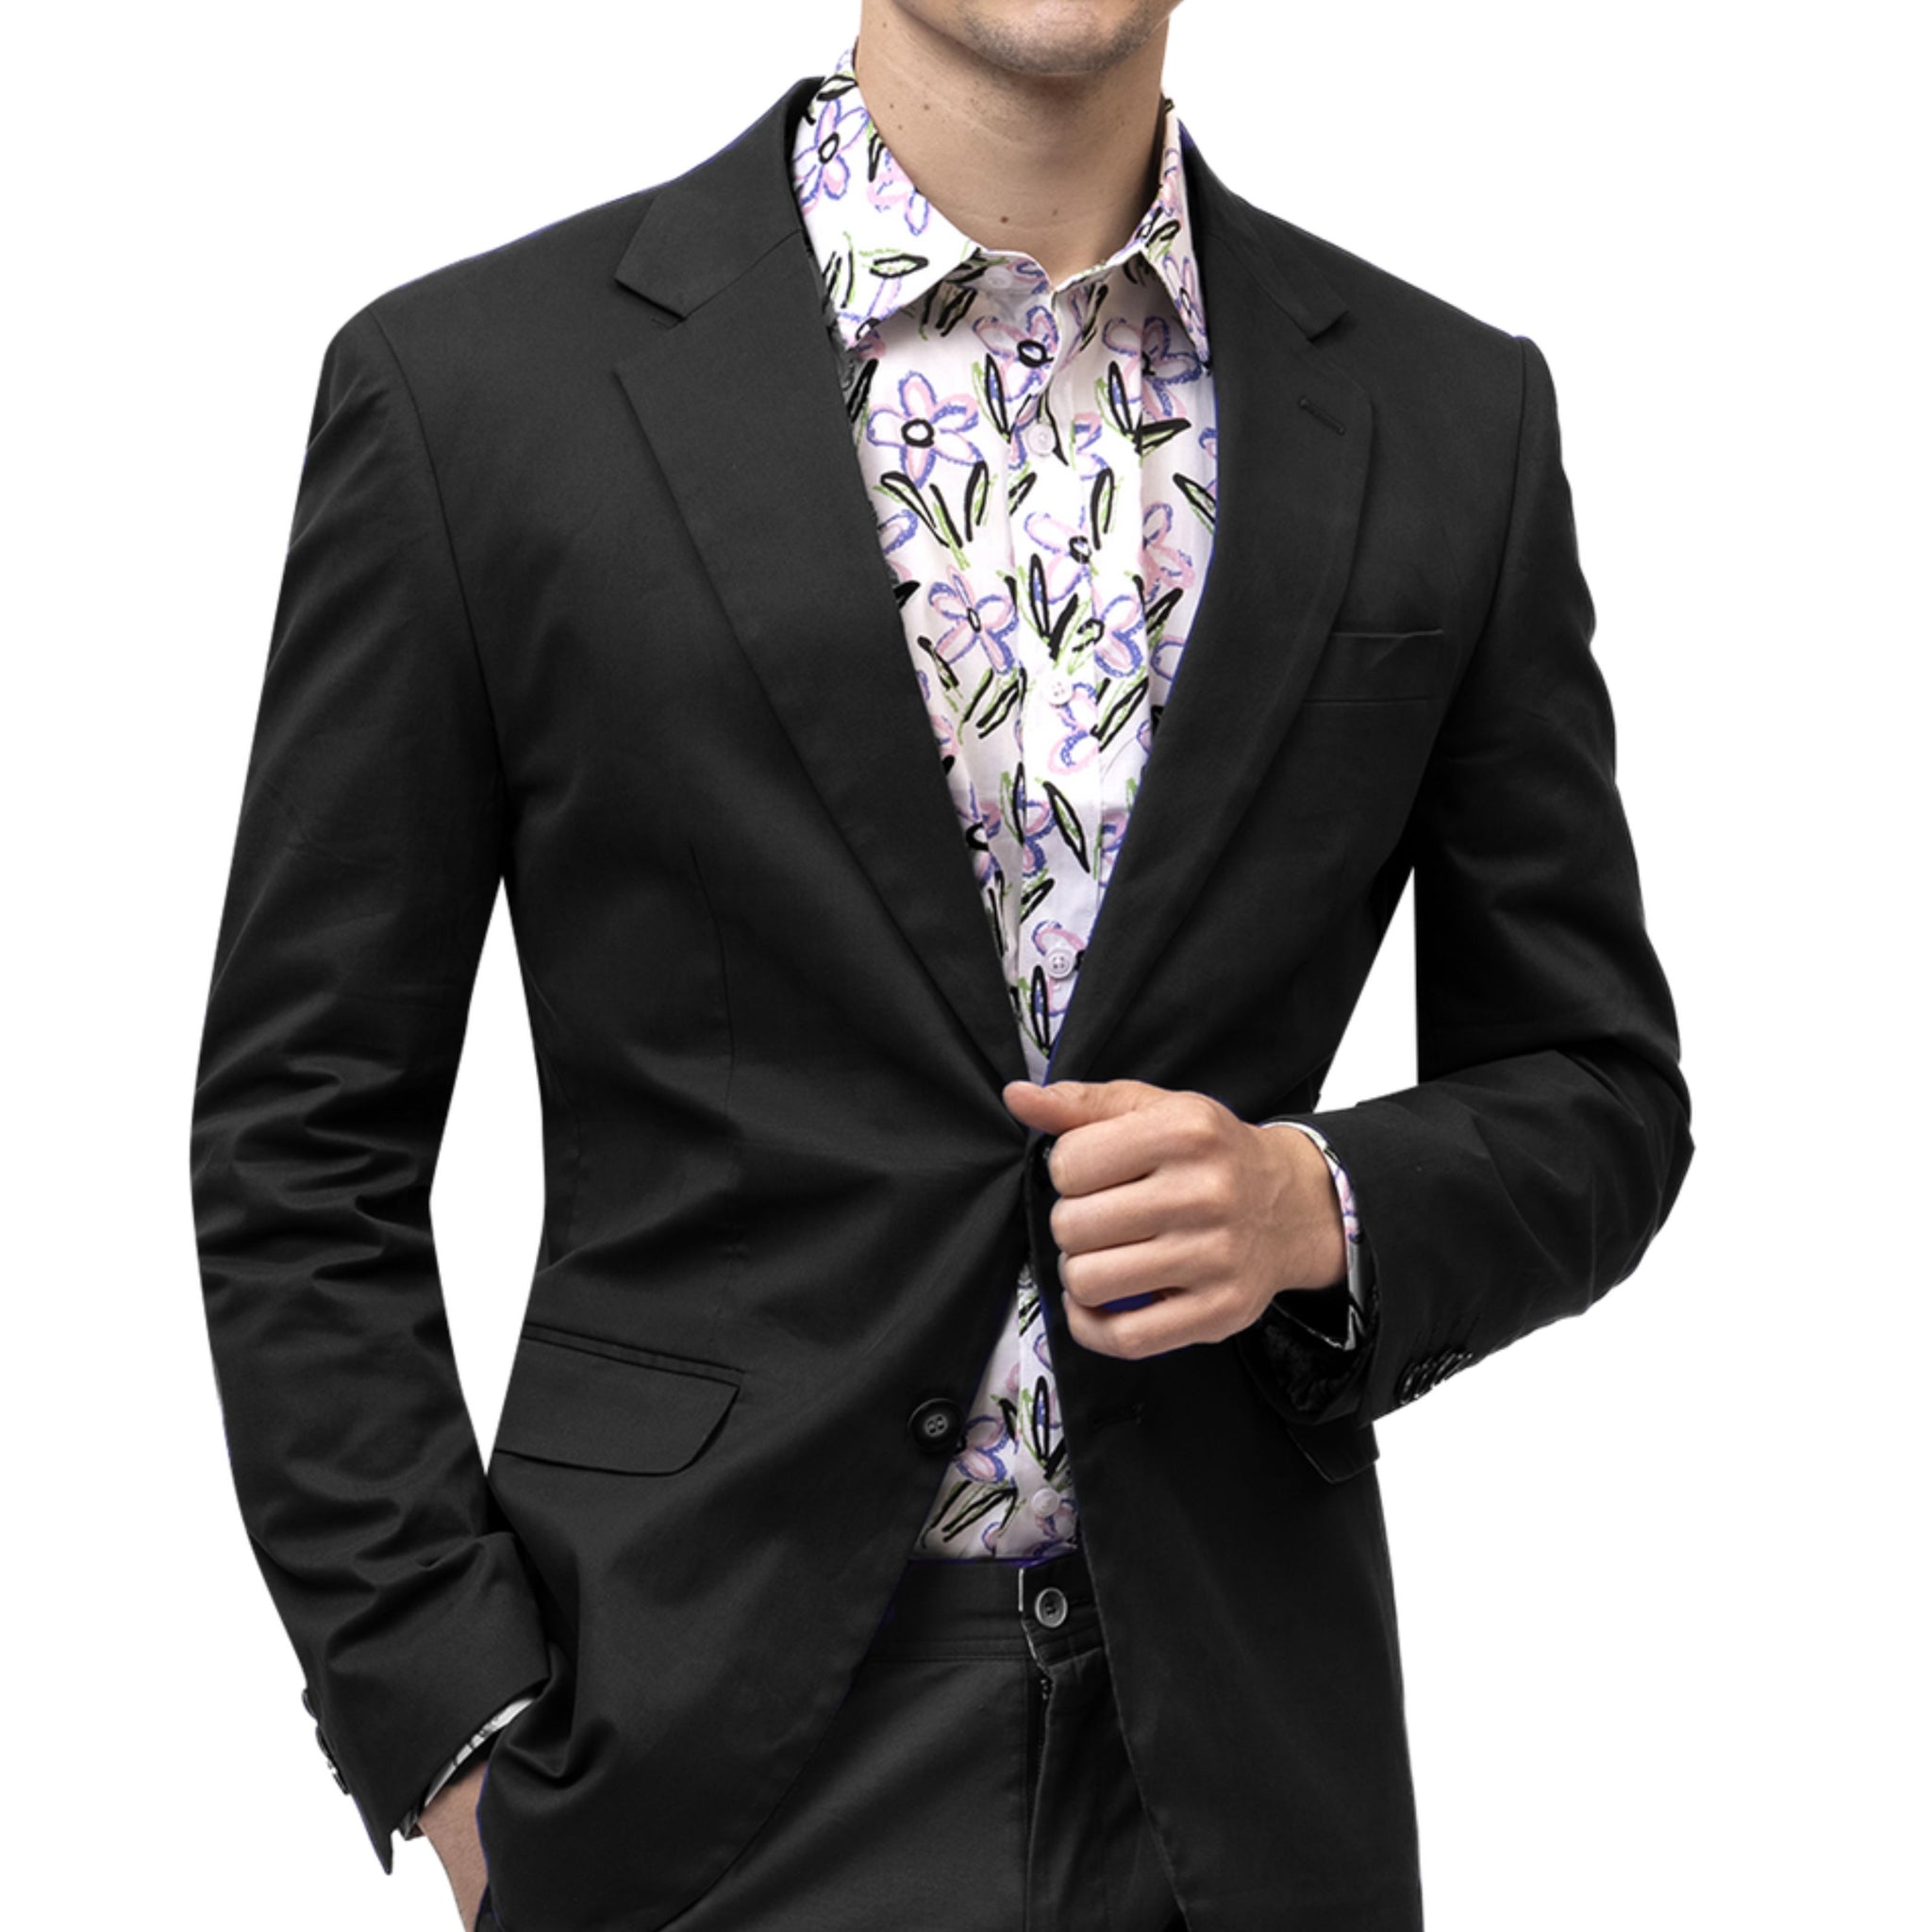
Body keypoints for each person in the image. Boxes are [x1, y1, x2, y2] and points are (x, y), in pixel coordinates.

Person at [188, 3, 1695, 1927]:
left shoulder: (1446, 415)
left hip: (1234, 1772)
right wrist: (446, 1717)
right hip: (685, 1752)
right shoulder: (478, 393)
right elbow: (300, 1135)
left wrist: (1307, 1203)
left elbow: (1594, 1088)